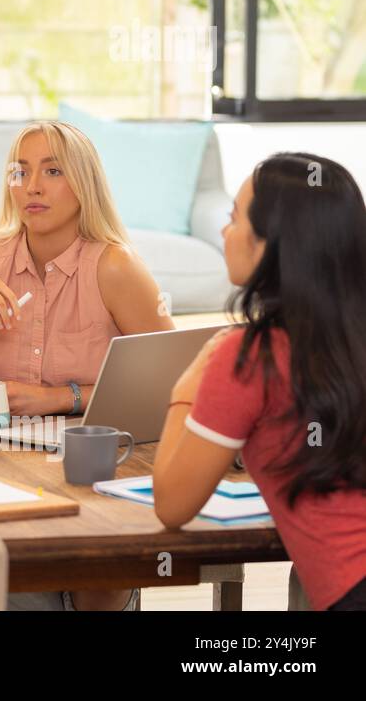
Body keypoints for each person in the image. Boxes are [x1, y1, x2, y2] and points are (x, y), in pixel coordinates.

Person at [0, 120, 172, 611]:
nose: (31, 186)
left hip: (95, 475)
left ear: (84, 183)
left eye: (52, 170)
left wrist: (63, 397)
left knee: (97, 571)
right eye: (20, 171)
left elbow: (174, 386)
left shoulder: (116, 267)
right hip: (0, 473)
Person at [154, 153, 366, 611]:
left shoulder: (252, 357)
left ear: (268, 244)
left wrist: (187, 385)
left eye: (232, 219)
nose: (224, 234)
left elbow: (171, 505)